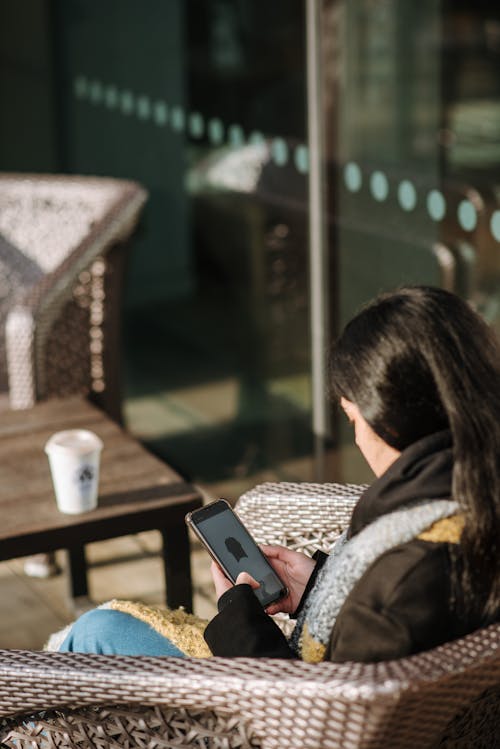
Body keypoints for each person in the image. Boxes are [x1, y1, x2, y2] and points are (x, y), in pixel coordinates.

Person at [59, 286, 499, 662]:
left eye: (352, 419)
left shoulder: (406, 582)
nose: (358, 440)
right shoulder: (473, 507)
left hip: (253, 713)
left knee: (95, 633)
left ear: (392, 422)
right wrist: (317, 590)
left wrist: (236, 614)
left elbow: (305, 717)